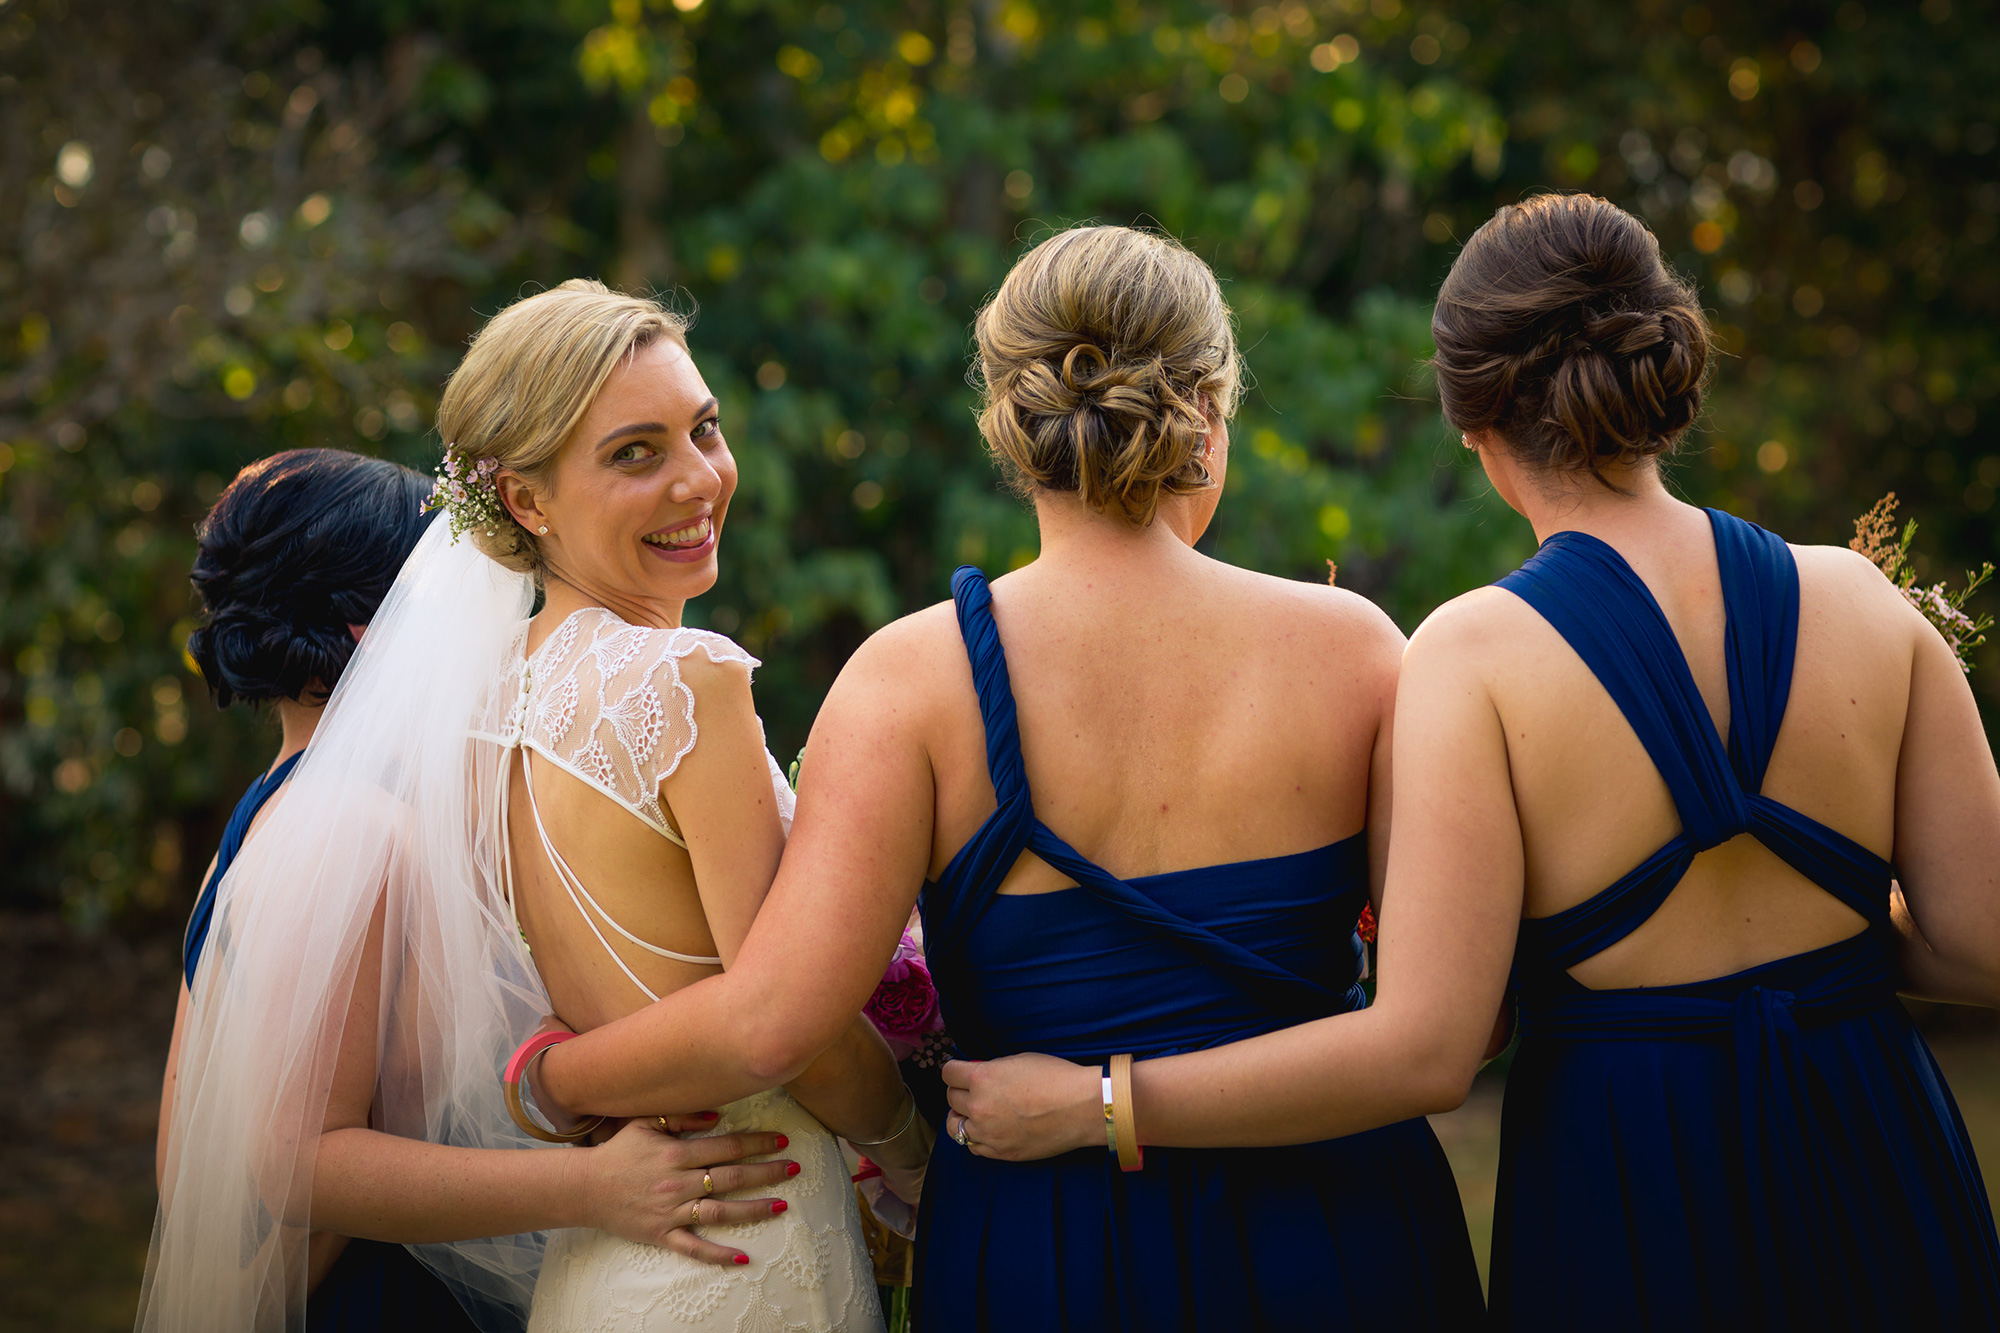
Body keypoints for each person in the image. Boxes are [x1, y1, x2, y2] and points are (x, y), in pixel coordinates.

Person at [946, 195, 2000, 1329]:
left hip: (1627, 1173)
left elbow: (1433, 1041)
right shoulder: (1862, 603)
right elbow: (1979, 945)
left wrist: (1104, 1101)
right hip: (1871, 1129)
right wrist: (1812, 947)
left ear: (1469, 417)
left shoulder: (1476, 656)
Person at [527, 226, 1486, 1329]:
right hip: (1333, 1229)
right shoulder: (1358, 649)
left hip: (1048, 1242)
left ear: (1006, 421)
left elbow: (770, 1024)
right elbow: (1436, 1044)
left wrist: (546, 1083)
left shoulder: (909, 680)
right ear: (1209, 414)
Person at [142, 289, 892, 1333]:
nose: (697, 475)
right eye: (633, 452)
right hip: (600, 1247)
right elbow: (280, 1161)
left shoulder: (414, 762)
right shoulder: (371, 817)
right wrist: (915, 1149)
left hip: (607, 1255)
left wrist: (546, 1080)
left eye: (703, 428)